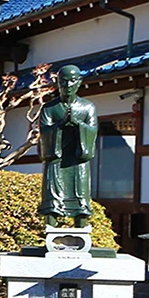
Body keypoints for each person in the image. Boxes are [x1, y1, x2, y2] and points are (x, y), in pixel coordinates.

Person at [39, 64, 97, 228]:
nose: (68, 85)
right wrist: (61, 124)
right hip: (56, 157)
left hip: (78, 158)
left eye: (72, 81)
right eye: (63, 81)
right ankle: (50, 226)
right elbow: (44, 132)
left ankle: (81, 225)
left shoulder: (88, 107)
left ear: (79, 82)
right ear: (57, 83)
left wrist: (78, 124)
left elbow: (92, 130)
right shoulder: (49, 108)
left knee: (80, 197)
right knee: (52, 199)